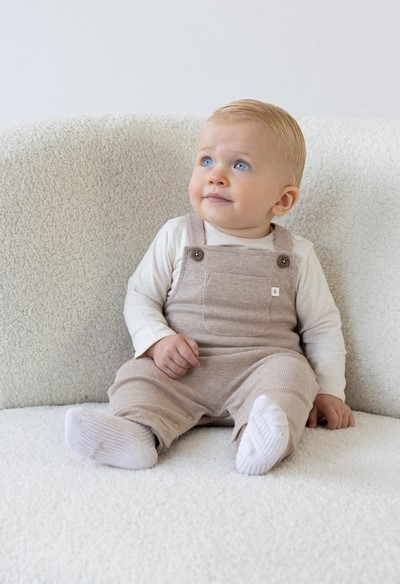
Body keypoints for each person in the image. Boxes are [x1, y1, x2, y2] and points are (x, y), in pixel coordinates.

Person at [65, 99, 355, 475]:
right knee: (137, 375)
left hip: (261, 371)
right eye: (206, 160)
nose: (216, 175)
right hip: (182, 371)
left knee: (293, 374)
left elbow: (321, 327)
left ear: (282, 200)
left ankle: (263, 440)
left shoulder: (296, 254)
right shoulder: (178, 235)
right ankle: (136, 433)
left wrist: (329, 390)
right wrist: (157, 341)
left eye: (240, 165)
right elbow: (141, 296)